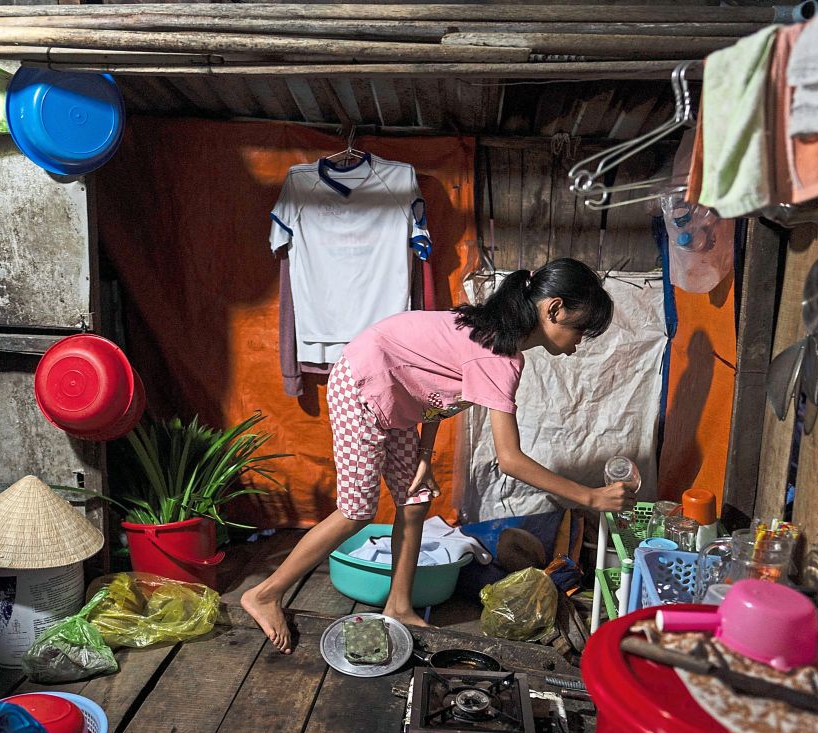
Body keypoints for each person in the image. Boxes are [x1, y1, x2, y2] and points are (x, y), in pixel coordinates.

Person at [242, 258, 637, 653]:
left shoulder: (490, 336)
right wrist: (590, 497)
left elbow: (432, 390)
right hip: (361, 387)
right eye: (580, 328)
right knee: (356, 512)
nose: (580, 341)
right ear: (553, 309)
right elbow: (510, 460)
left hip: (395, 400)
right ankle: (266, 593)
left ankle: (398, 605)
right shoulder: (498, 358)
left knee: (415, 502)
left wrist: (425, 456)